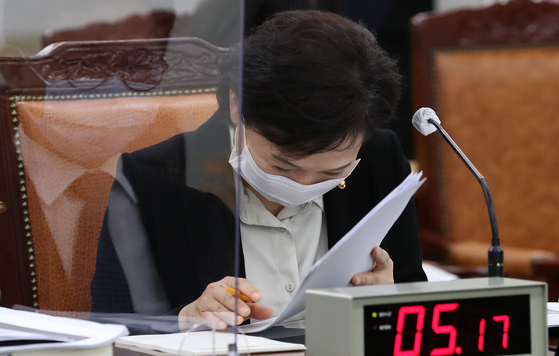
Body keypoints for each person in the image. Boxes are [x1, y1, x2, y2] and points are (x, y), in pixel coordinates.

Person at [91, 10, 426, 329]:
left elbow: (417, 302)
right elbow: (111, 326)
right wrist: (184, 319)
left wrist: (391, 301)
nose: (301, 186)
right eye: (282, 165)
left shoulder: (379, 161)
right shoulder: (155, 180)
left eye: (330, 174)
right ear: (238, 106)